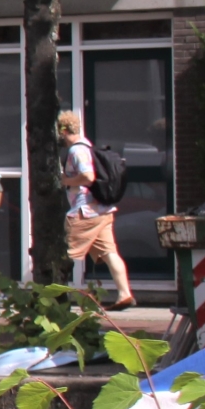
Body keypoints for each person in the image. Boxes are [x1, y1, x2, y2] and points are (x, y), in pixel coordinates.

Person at [58, 109, 136, 308]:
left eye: (59, 131)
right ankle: (124, 293)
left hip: (86, 212)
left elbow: (88, 176)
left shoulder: (76, 150)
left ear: (64, 130)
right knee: (110, 253)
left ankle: (53, 299)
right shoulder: (87, 147)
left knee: (63, 255)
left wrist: (65, 179)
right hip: (102, 211)